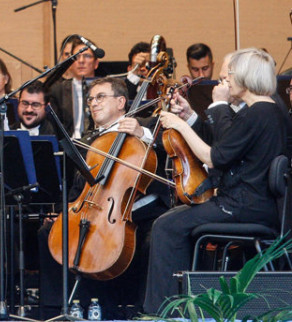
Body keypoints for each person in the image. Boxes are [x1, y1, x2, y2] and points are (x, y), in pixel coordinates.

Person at [143, 48, 289, 314]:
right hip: (254, 204)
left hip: (242, 205)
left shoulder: (259, 112)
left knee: (166, 226)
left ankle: (165, 313)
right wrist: (191, 118)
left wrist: (179, 124)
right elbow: (228, 142)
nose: (226, 81)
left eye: (230, 75)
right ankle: (182, 308)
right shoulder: (269, 110)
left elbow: (216, 156)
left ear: (245, 76)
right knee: (172, 220)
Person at [39, 77, 162, 319]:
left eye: (100, 97)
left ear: (120, 102)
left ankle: (142, 310)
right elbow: (79, 187)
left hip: (139, 210)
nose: (93, 104)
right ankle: (57, 309)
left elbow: (167, 150)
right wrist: (66, 211)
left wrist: (143, 134)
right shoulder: (88, 140)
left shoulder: (148, 126)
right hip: (97, 208)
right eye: (91, 99)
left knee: (150, 237)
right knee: (50, 232)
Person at [49, 37, 100, 138]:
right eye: (77, 57)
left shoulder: (104, 90)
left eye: (87, 56)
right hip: (68, 147)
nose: (81, 61)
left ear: (96, 63)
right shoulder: (58, 90)